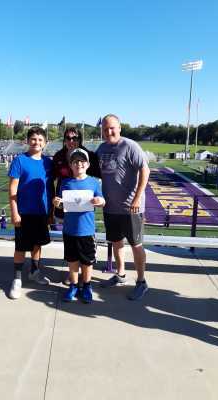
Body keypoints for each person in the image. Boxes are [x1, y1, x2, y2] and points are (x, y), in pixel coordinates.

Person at [97, 114, 150, 301]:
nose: (108, 131)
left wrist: (136, 199)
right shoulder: (101, 148)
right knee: (116, 242)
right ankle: (120, 274)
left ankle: (142, 282)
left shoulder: (130, 146)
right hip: (110, 206)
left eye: (111, 128)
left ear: (119, 128)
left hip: (130, 207)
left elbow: (145, 170)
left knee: (136, 245)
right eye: (105, 129)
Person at [8, 127, 54, 300]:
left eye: (40, 140)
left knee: (37, 244)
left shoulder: (48, 163)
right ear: (27, 141)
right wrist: (14, 212)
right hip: (24, 212)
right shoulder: (20, 160)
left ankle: (35, 271)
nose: (37, 142)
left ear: (45, 143)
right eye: (34, 139)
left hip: (41, 211)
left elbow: (50, 188)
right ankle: (17, 279)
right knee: (21, 247)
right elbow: (12, 189)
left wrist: (50, 212)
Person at [53, 148, 105, 303]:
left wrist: (99, 201)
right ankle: (74, 285)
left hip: (87, 230)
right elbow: (63, 205)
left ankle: (87, 286)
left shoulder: (94, 182)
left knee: (87, 261)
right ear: (70, 165)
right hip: (69, 230)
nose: (79, 164)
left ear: (88, 164)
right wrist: (57, 203)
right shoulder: (66, 182)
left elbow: (102, 201)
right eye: (75, 161)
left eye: (82, 161)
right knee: (72, 260)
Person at [53, 127, 100, 224]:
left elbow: (102, 175)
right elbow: (50, 180)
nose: (71, 141)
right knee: (62, 237)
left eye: (75, 138)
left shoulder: (89, 156)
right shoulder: (58, 156)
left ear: (80, 140)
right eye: (68, 138)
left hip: (83, 209)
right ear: (64, 140)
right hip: (62, 206)